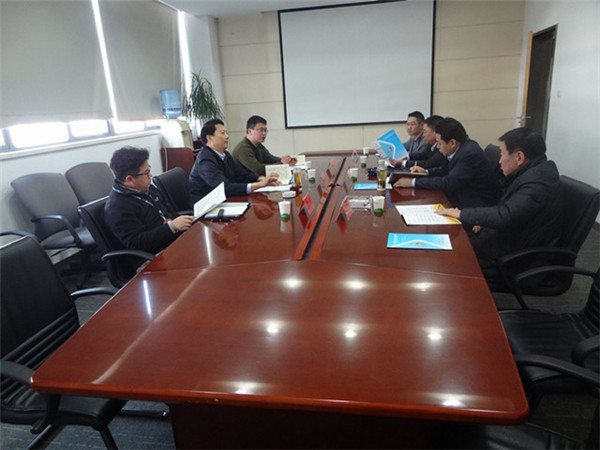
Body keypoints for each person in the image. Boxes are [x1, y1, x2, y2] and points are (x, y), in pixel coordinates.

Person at [435, 127, 562, 283]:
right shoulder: (534, 172)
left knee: (449, 257)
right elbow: (511, 208)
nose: (500, 160)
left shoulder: (537, 183)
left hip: (517, 260)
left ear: (519, 157)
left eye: (502, 154)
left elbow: (505, 215)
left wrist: (461, 213)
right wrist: (484, 221)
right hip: (508, 240)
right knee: (451, 244)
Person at [393, 117, 500, 209]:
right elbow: (444, 170)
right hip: (460, 196)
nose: (438, 147)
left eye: (439, 143)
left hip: (473, 205)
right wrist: (425, 172)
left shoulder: (469, 154)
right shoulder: (460, 148)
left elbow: (448, 182)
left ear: (452, 142)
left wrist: (413, 182)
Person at [105, 146, 193, 254]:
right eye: (146, 172)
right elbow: (138, 243)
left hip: (173, 239)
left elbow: (168, 210)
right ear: (130, 179)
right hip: (155, 254)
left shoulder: (147, 188)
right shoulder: (117, 207)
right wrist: (171, 227)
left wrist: (174, 222)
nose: (150, 175)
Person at [189, 119, 280, 204]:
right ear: (210, 138)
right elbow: (224, 188)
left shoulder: (225, 155)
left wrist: (260, 179)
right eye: (222, 133)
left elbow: (241, 174)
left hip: (223, 201)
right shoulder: (205, 160)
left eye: (226, 133)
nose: (227, 136)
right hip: (206, 206)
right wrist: (259, 185)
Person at [232, 115, 297, 176]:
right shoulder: (243, 149)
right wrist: (282, 163)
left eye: (265, 130)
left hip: (259, 180)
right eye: (261, 130)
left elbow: (270, 159)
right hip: (247, 182)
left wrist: (287, 160)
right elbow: (259, 170)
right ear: (250, 131)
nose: (264, 133)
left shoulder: (258, 145)